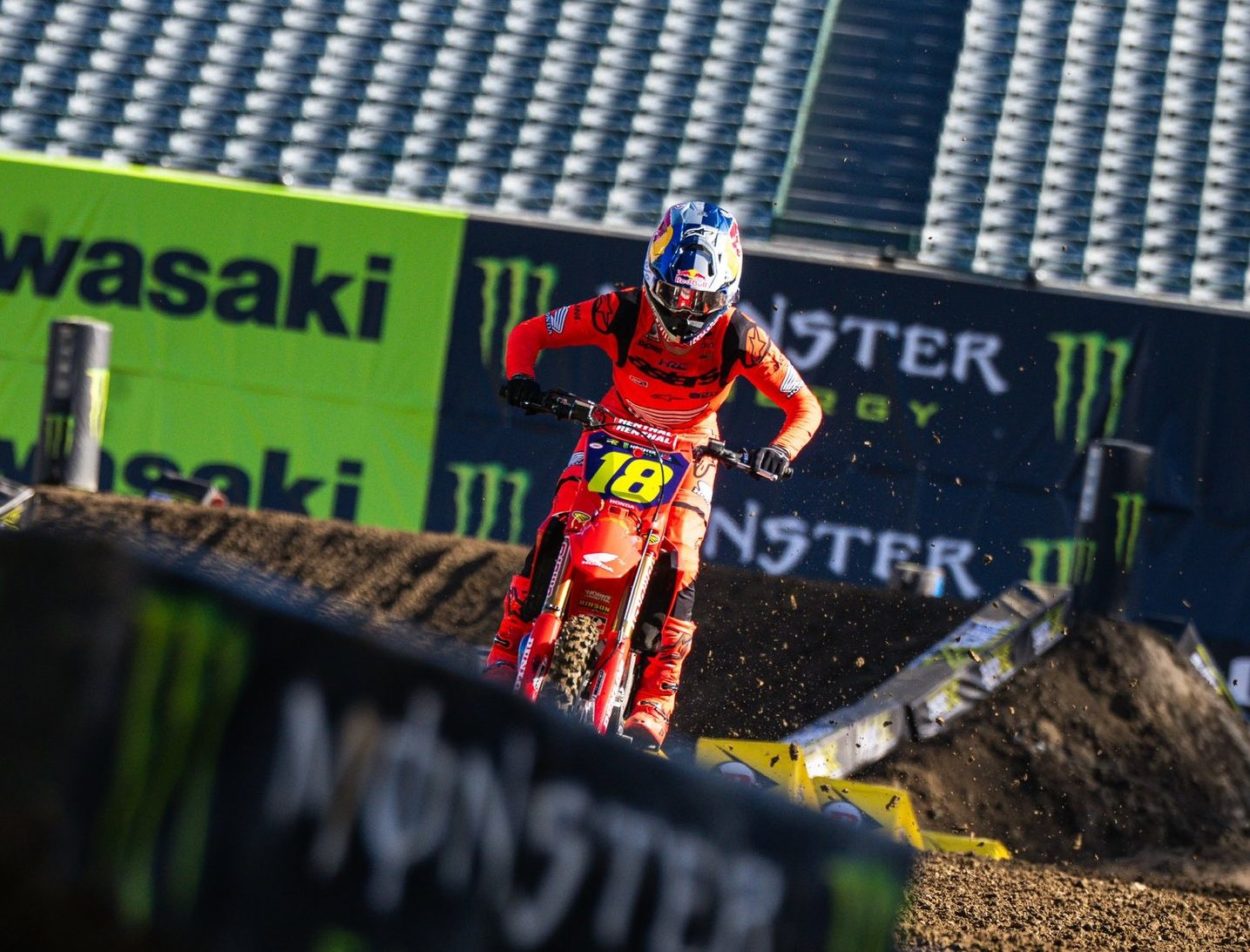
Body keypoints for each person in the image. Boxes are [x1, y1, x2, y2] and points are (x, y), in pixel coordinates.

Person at [483, 200, 823, 749]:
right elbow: (529, 333)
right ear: (651, 277)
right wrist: (521, 377)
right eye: (673, 294)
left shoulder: (741, 337)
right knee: (560, 525)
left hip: (691, 448)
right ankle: (505, 650)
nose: (685, 313)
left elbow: (804, 406)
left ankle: (655, 700)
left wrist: (780, 451)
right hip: (612, 427)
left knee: (681, 560)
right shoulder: (618, 310)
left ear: (727, 295)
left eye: (701, 301)